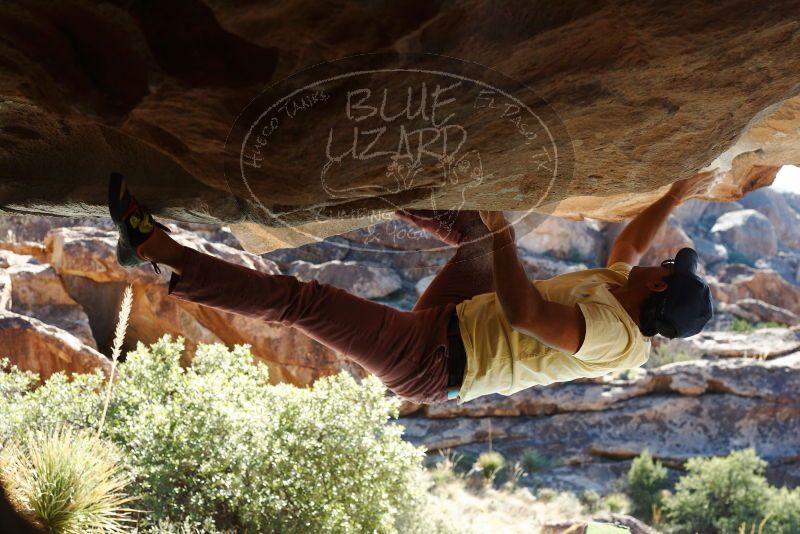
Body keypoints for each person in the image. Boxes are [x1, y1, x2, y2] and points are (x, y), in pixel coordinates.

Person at [108, 173, 712, 405]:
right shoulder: (625, 285)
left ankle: (156, 252)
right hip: (457, 322)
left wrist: (505, 231)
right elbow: (628, 246)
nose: (660, 258)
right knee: (476, 235)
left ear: (660, 286)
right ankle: (380, 177)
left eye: (669, 266)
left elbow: (526, 313)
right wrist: (674, 196)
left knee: (305, 302)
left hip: (431, 362)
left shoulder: (615, 334)